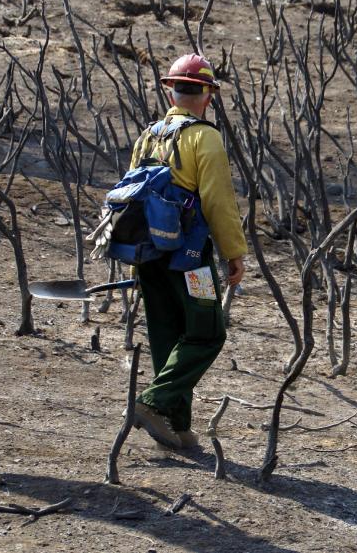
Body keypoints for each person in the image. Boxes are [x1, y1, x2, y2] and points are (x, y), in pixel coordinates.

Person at [127, 53, 247, 449]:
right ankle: (153, 402)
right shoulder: (205, 137)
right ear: (208, 96)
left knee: (167, 336)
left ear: (171, 90)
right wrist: (234, 253)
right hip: (190, 260)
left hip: (148, 255)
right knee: (207, 333)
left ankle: (175, 427)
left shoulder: (149, 134)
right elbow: (218, 202)